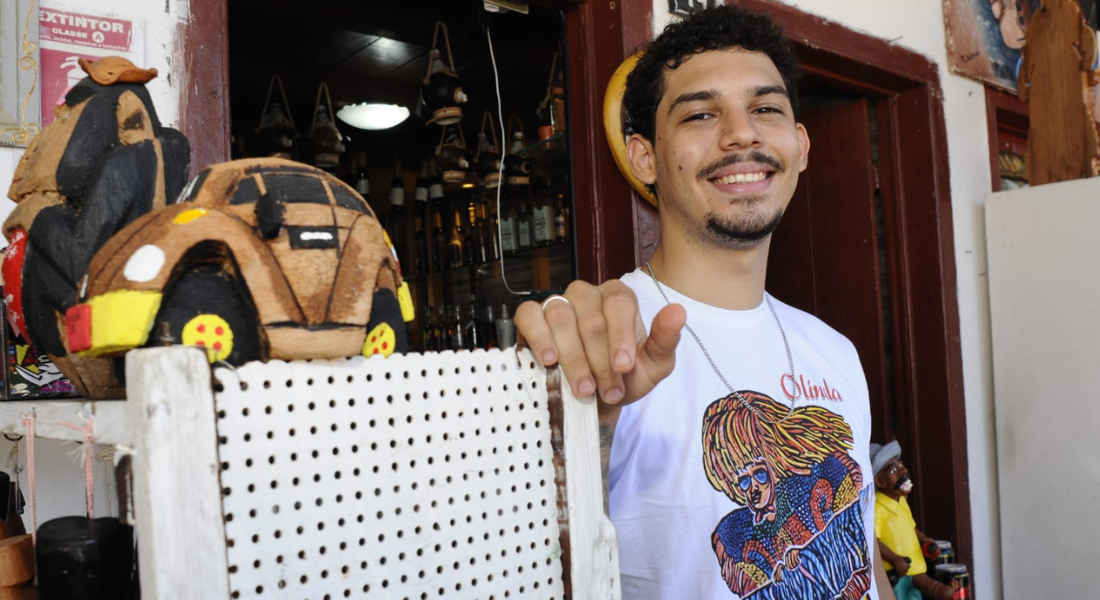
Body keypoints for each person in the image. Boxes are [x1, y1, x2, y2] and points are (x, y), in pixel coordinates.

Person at [515, 5, 895, 599]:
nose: (741, 133)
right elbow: (528, 566)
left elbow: (860, 561)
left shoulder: (835, 352)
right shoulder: (601, 345)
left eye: (766, 108)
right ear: (644, 157)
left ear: (799, 145)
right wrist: (590, 418)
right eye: (700, 113)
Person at [872, 441, 953, 600]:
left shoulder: (902, 502)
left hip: (915, 566)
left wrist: (924, 540)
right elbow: (873, 540)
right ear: (881, 481)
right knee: (942, 593)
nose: (904, 471)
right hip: (898, 572)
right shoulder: (877, 508)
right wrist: (894, 558)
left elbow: (911, 527)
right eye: (894, 470)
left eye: (900, 464)